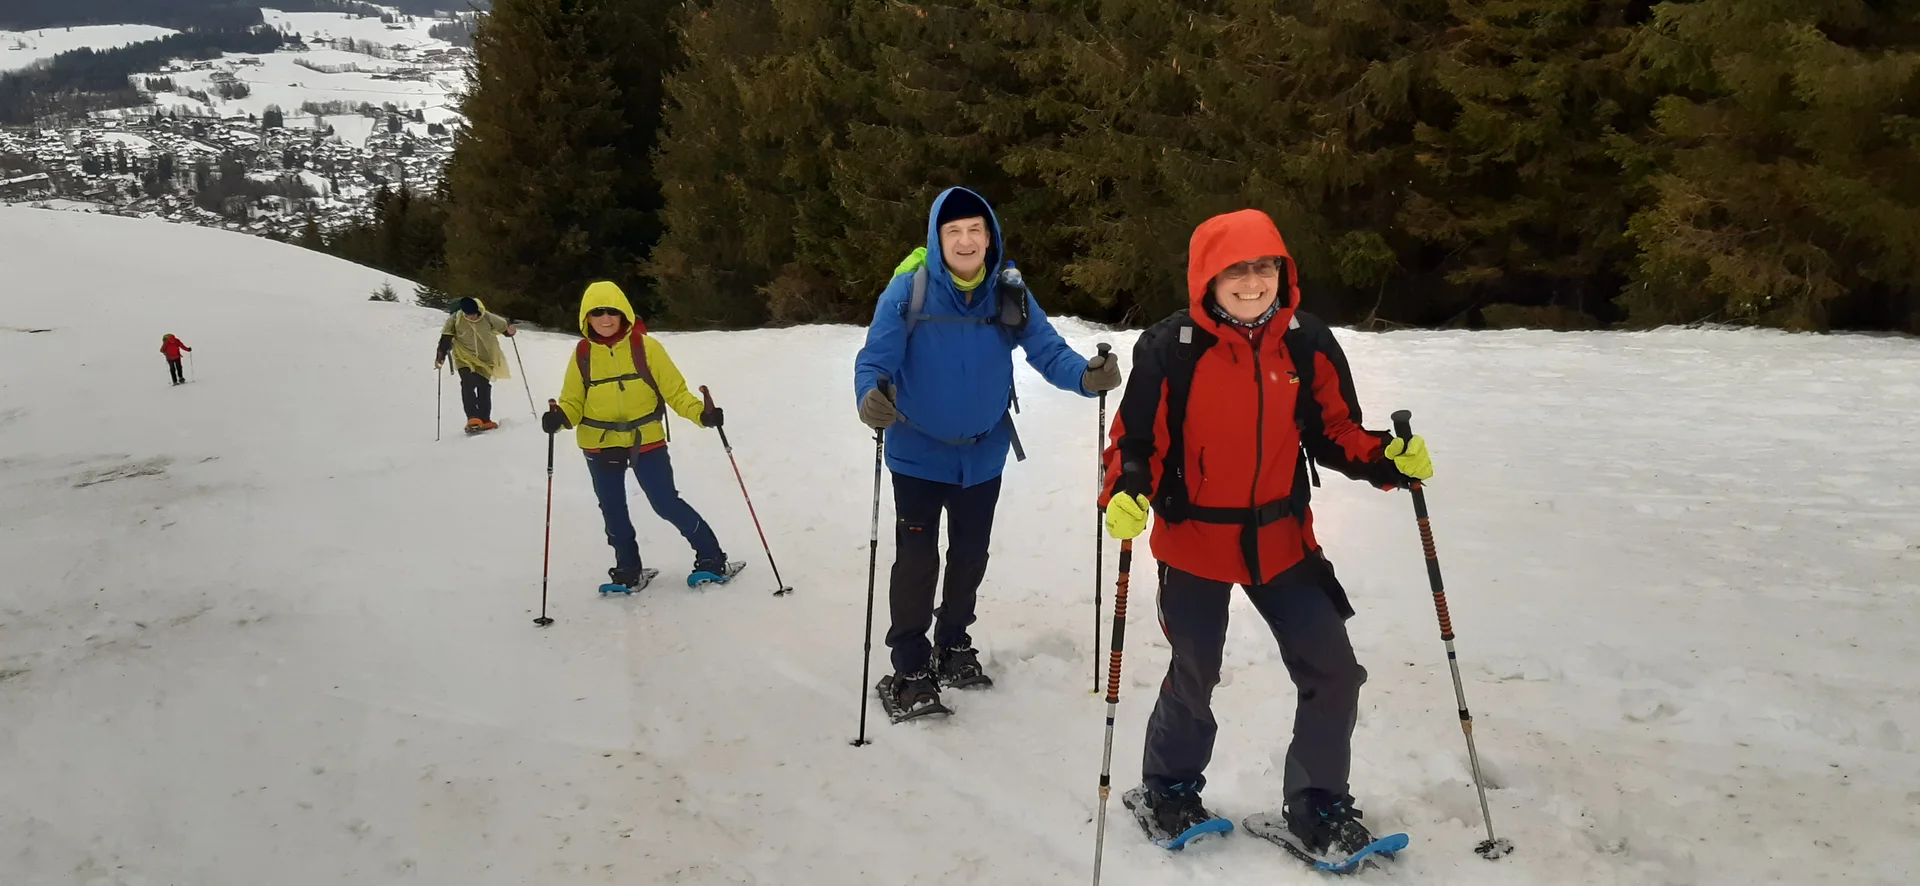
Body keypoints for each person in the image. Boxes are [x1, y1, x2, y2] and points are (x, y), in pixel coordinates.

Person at [1098, 209, 1434, 855]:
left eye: (1265, 266)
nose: (1252, 282)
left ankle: (1316, 807)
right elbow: (1136, 443)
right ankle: (1166, 787)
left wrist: (1388, 458)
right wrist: (1126, 492)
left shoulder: (1305, 341)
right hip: (1195, 539)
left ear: (1283, 271)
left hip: (1281, 539)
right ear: (1207, 277)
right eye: (1236, 270)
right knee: (1195, 670)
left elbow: (1336, 430)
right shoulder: (1172, 348)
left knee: (1335, 670)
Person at [853, 186, 1124, 720]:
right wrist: (869, 395)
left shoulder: (1009, 292)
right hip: (916, 454)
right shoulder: (909, 291)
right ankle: (909, 666)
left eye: (975, 229)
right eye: (954, 231)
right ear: (938, 238)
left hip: (982, 454)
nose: (966, 239)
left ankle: (952, 642)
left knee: (970, 556)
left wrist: (1085, 378)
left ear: (989, 235)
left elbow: (1046, 349)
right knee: (917, 561)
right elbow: (875, 359)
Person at [541, 281, 740, 591]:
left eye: (611, 312)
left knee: (665, 503)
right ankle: (628, 569)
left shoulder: (647, 348)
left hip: (646, 439)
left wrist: (702, 414)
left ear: (624, 314)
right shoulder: (582, 353)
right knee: (613, 509)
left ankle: (712, 557)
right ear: (586, 318)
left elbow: (675, 392)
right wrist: (560, 418)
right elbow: (573, 403)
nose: (605, 319)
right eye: (596, 313)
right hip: (599, 444)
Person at [435, 297, 516, 433]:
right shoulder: (455, 319)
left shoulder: (487, 317)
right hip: (464, 356)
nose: (470, 317)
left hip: (485, 358)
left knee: (483, 386)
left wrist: (509, 332)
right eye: (467, 314)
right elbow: (446, 337)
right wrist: (441, 354)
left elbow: (504, 327)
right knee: (468, 383)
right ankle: (473, 417)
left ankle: (485, 419)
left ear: (477, 311)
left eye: (473, 314)